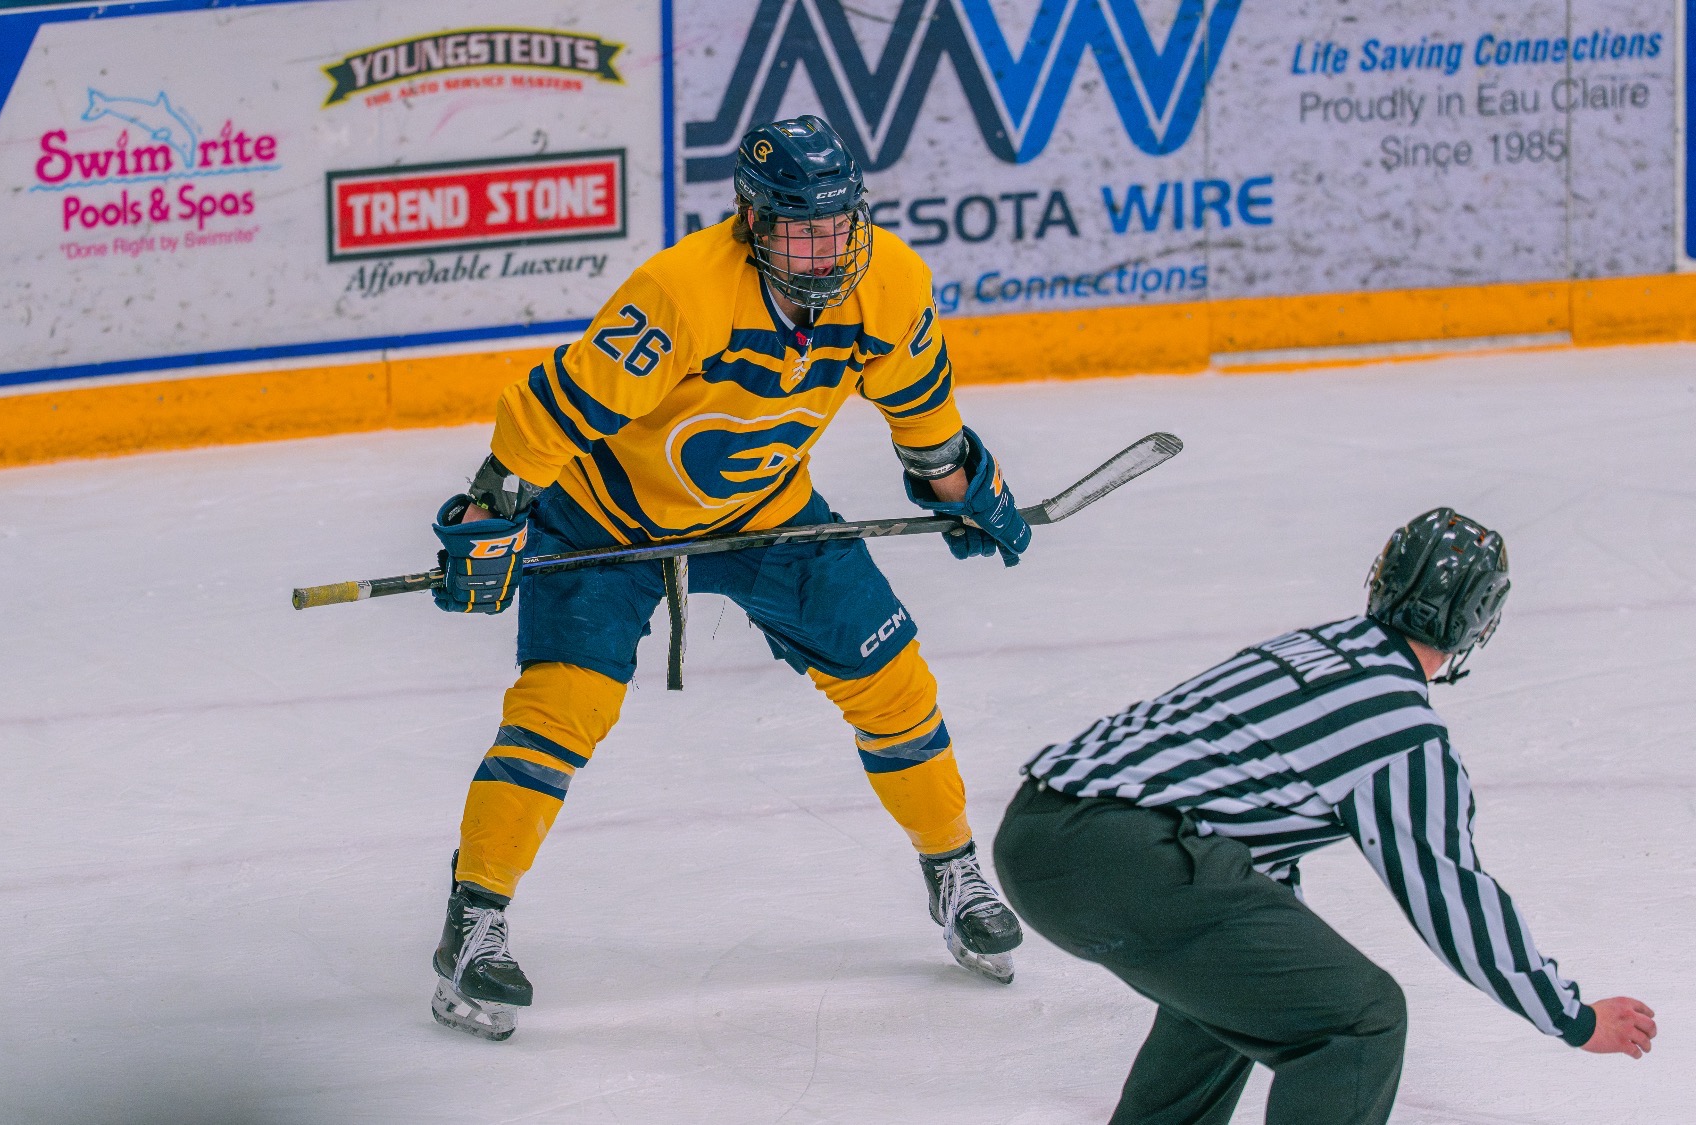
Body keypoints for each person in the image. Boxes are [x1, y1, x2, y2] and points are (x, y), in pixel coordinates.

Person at [423, 115, 1031, 1040]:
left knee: (893, 681)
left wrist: (967, 490)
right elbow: (554, 408)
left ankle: (952, 869)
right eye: (801, 227)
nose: (826, 248)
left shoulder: (893, 281)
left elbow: (923, 415)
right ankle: (474, 921)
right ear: (753, 222)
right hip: (605, 519)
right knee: (559, 709)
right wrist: (489, 512)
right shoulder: (681, 291)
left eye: (839, 223)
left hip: (768, 512)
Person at [990, 508, 1657, 1123]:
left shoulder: (1311, 649)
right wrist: (1571, 1017)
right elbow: (1452, 895)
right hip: (1126, 856)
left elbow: (1234, 815)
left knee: (1245, 995)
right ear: (1479, 619)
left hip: (1037, 832)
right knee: (1358, 1021)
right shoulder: (1402, 731)